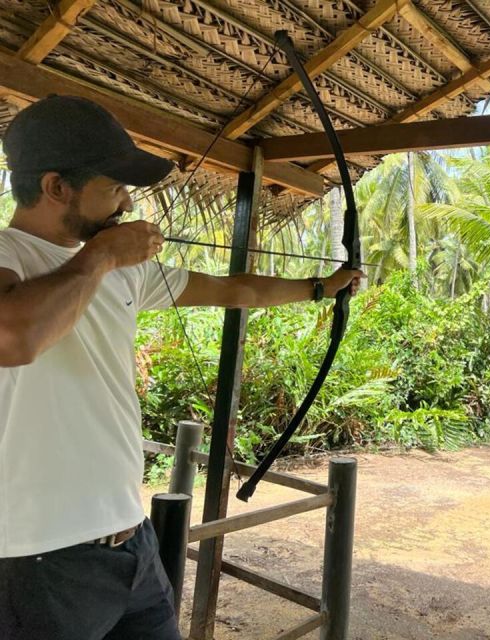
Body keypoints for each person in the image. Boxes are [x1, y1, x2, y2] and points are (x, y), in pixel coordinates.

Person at [0, 95, 362, 640]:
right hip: (37, 558)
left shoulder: (121, 273)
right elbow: (14, 336)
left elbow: (234, 287)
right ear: (56, 188)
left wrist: (319, 288)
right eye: (114, 188)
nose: (126, 204)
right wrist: (101, 256)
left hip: (132, 542)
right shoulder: (20, 255)